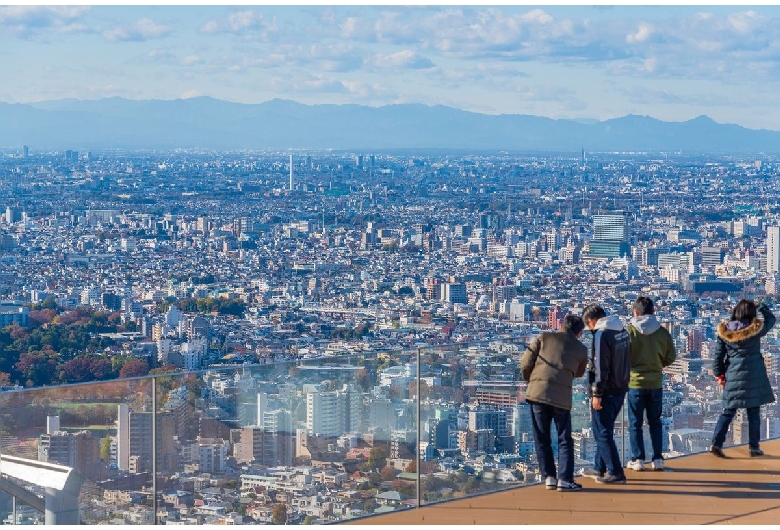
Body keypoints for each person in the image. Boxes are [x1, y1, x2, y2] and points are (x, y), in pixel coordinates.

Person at [521, 315, 588, 491]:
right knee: (564, 439)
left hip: (537, 393)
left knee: (541, 437)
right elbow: (580, 372)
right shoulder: (581, 349)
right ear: (579, 333)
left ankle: (549, 477)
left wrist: (532, 379)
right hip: (561, 397)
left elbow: (525, 362)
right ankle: (565, 479)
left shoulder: (544, 337)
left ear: (561, 325)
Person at [710, 299, 776, 458]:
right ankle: (754, 447)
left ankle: (716, 443)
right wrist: (760, 305)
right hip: (754, 376)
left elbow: (718, 357)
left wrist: (719, 375)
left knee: (728, 411)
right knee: (753, 412)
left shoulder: (725, 333)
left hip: (733, 375)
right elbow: (771, 319)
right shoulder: (755, 330)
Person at [580, 303, 631, 485]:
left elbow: (600, 367)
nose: (590, 330)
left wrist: (597, 393)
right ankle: (598, 466)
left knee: (602, 431)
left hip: (607, 390)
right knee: (605, 429)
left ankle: (615, 471)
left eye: (589, 326)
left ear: (592, 321)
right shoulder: (621, 331)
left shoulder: (602, 335)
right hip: (621, 387)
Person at [625, 296, 677, 472]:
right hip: (655, 382)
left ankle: (638, 459)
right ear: (653, 312)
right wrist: (657, 365)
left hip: (635, 383)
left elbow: (621, 357)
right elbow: (671, 357)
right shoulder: (662, 333)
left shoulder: (629, 332)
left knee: (635, 423)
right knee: (655, 421)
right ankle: (657, 459)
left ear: (635, 312)